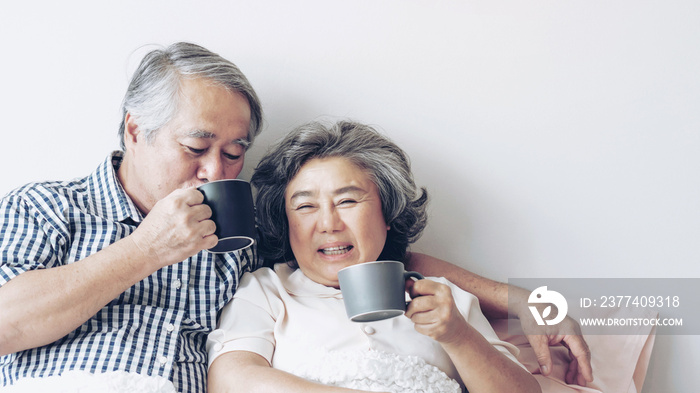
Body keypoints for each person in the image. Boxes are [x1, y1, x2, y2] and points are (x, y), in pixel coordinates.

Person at [0, 42, 590, 391]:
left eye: (234, 154)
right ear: (136, 129)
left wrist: (531, 302)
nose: (216, 173)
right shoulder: (47, 208)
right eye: (196, 147)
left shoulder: (246, 237)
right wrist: (145, 250)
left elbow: (357, 258)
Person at [206, 120, 542, 393]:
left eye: (348, 201)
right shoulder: (266, 291)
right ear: (285, 222)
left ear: (388, 214)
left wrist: (458, 336)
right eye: (306, 206)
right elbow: (231, 380)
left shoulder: (443, 298)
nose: (328, 224)